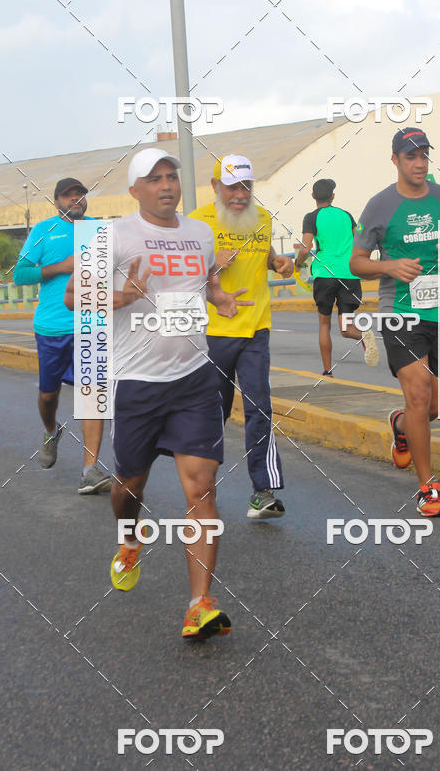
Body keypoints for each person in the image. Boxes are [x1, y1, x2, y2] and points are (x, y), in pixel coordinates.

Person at [66, 148, 251, 638]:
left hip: (194, 379)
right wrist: (120, 296)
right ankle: (129, 538)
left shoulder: (201, 233)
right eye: (155, 179)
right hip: (137, 383)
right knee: (129, 487)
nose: (167, 185)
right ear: (135, 190)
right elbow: (72, 296)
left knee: (201, 487)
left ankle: (199, 604)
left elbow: (203, 281)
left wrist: (219, 295)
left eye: (172, 176)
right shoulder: (113, 235)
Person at [349, 128, 440, 518]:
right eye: (411, 156)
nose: (419, 163)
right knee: (417, 395)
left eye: (424, 155)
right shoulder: (380, 205)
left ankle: (401, 427)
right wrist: (389, 266)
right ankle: (427, 489)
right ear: (395, 159)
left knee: (438, 405)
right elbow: (357, 262)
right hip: (400, 312)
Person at [189, 155, 293, 520]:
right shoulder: (197, 223)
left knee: (259, 407)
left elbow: (264, 254)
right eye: (232, 187)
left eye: (246, 186)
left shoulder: (262, 218)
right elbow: (180, 279)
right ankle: (202, 486)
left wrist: (278, 262)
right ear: (215, 187)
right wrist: (210, 264)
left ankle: (262, 491)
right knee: (211, 416)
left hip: (255, 329)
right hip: (213, 334)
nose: (240, 194)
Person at [13, 178, 108, 494]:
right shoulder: (44, 230)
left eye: (80, 195)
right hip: (52, 327)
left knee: (92, 395)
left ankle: (90, 470)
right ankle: (50, 430)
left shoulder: (100, 230)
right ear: (56, 202)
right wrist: (62, 266)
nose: (76, 200)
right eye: (69, 196)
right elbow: (20, 274)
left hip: (91, 324)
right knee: (48, 396)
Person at [295, 178, 378, 375]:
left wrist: (298, 264)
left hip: (325, 274)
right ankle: (363, 334)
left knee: (324, 324)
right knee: (346, 328)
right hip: (349, 274)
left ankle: (328, 371)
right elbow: (361, 240)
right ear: (333, 196)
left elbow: (305, 248)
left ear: (313, 196)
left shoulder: (311, 217)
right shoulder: (346, 215)